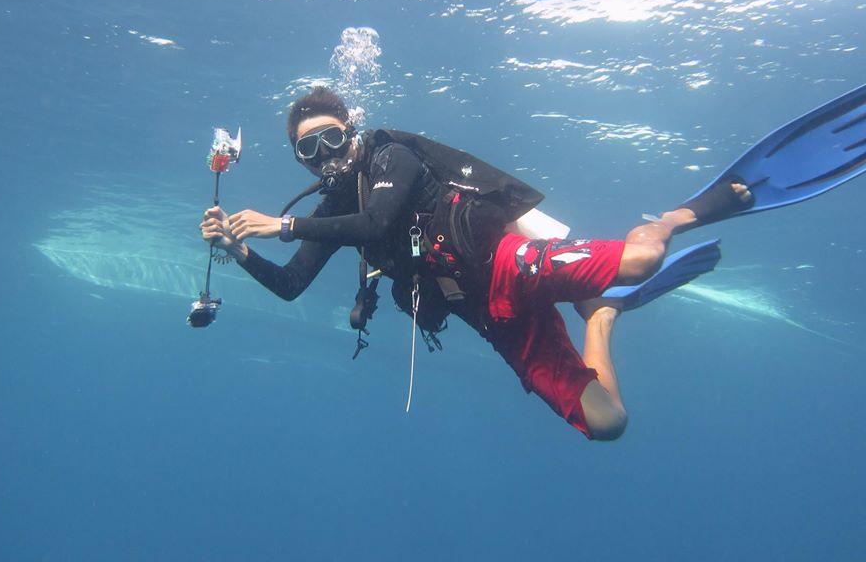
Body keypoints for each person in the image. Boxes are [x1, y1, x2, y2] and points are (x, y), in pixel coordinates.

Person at [196, 86, 796, 441]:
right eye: (308, 149)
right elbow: (291, 285)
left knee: (641, 259)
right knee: (608, 423)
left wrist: (285, 224)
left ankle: (678, 215)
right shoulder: (332, 206)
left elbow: (378, 223)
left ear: (351, 130)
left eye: (330, 137)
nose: (323, 155)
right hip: (487, 314)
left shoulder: (393, 155)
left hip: (513, 263)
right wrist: (236, 250)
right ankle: (601, 320)